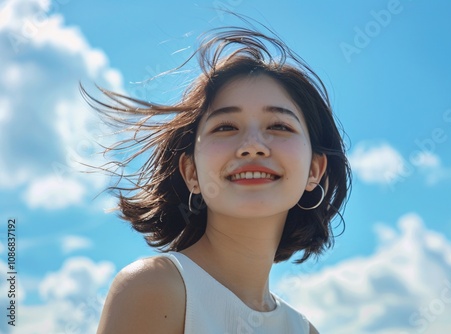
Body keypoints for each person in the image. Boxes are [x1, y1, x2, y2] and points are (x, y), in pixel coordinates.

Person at [84, 25, 350, 334]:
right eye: (225, 127)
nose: (252, 145)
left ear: (315, 171)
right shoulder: (154, 288)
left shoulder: (304, 330)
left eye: (279, 126)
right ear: (191, 172)